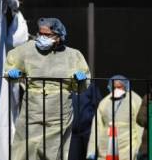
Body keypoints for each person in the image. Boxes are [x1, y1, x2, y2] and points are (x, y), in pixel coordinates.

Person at [5, 17, 90, 160]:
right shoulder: (27, 50)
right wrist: (12, 73)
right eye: (40, 33)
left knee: (53, 149)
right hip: (33, 108)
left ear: (59, 36)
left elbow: (82, 85)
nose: (42, 37)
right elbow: (10, 68)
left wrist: (79, 79)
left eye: (47, 35)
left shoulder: (72, 55)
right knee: (26, 146)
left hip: (59, 110)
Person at [86, 75, 144, 160]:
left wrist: (139, 149)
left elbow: (140, 127)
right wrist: (91, 151)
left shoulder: (134, 100)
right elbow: (97, 128)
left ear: (125, 86)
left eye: (119, 87)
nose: (117, 90)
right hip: (105, 150)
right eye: (114, 87)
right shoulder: (104, 102)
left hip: (128, 150)